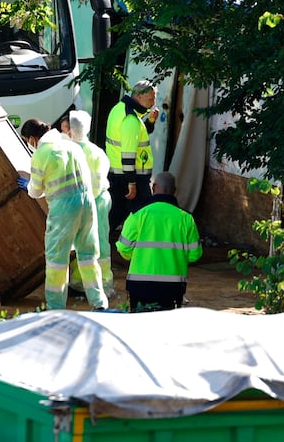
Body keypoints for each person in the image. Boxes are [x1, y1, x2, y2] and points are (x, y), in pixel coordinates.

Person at [18, 118, 108, 311]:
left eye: (27, 140)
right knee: (88, 257)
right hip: (87, 204)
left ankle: (55, 307)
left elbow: (35, 191)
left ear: (33, 138)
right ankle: (99, 303)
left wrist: (28, 185)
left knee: (57, 260)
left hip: (63, 210)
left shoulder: (42, 153)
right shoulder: (71, 145)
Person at [116, 171, 201, 311]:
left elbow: (124, 249)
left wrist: (141, 257)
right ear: (174, 191)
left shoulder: (137, 214)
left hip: (139, 286)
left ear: (153, 187)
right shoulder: (186, 218)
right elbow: (194, 255)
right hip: (172, 288)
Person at [65, 110, 115, 299]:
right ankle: (101, 283)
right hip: (98, 201)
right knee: (99, 242)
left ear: (70, 129)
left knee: (78, 243)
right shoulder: (96, 152)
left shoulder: (67, 151)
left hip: (77, 204)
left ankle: (80, 283)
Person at [105, 79, 159, 233]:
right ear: (138, 97)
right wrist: (132, 182)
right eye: (151, 98)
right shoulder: (130, 119)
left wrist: (150, 122)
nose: (153, 102)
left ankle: (99, 245)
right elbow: (128, 153)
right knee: (144, 214)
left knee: (116, 214)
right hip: (131, 177)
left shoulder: (120, 109)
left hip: (119, 174)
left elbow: (135, 138)